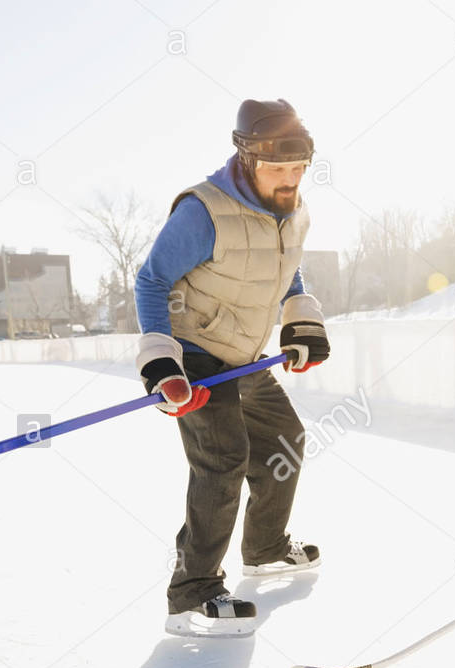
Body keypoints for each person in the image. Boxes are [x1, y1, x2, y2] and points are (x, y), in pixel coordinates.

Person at [134, 98, 330, 637]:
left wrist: (301, 320)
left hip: (243, 355)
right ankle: (192, 593)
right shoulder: (204, 211)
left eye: (298, 168)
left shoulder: (295, 210)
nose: (289, 179)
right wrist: (162, 365)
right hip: (195, 350)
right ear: (246, 158)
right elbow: (151, 280)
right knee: (222, 461)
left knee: (283, 441)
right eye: (278, 168)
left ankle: (265, 547)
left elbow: (284, 269)